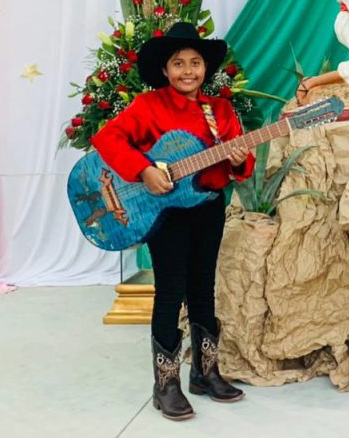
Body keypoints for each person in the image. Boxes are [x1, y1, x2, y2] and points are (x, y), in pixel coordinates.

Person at [92, 22, 254, 421]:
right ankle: (165, 385)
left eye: (195, 62)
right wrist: (144, 169)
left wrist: (239, 159)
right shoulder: (148, 106)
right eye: (178, 63)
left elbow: (240, 165)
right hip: (164, 213)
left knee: (203, 288)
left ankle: (205, 373)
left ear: (205, 68)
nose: (187, 71)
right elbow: (108, 139)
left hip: (208, 206)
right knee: (169, 291)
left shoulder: (220, 110)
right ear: (165, 70)